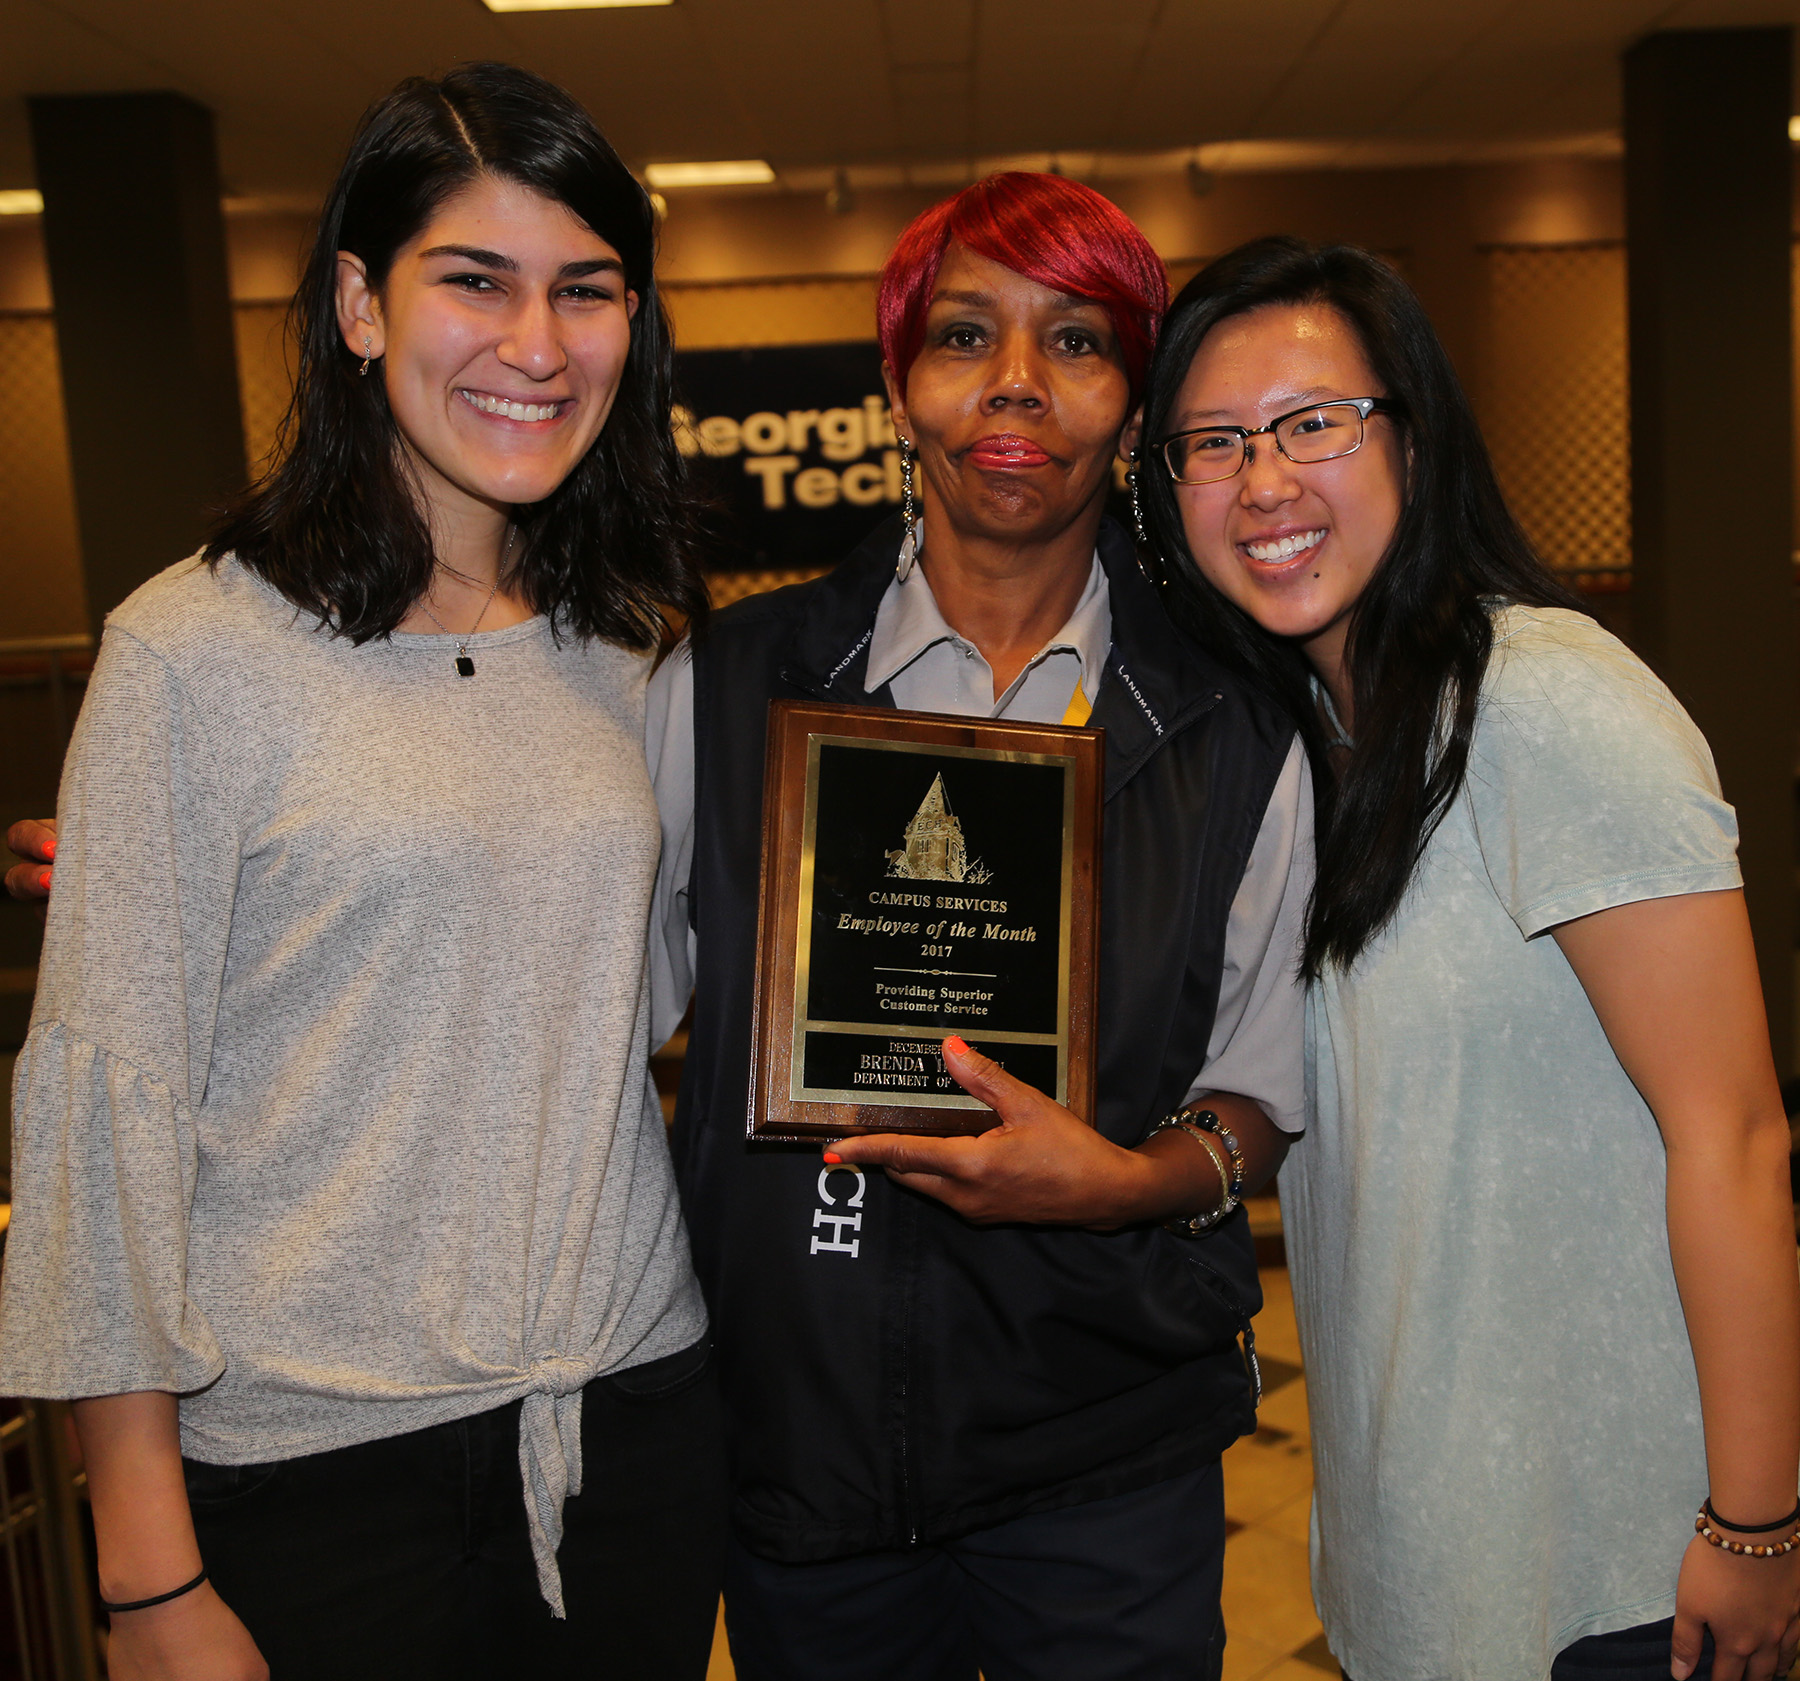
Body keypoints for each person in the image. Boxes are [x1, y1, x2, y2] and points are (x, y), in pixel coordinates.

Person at [0, 64, 725, 1681]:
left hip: (632, 1432)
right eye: (475, 280)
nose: (537, 346)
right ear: (358, 303)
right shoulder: (193, 653)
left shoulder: (630, 647)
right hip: (311, 1477)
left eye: (586, 291)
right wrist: (144, 1575)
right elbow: (103, 1129)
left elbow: (648, 998)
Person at [647, 172, 1311, 1680]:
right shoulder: (730, 689)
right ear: (900, 390)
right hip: (803, 1459)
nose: (1017, 381)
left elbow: (1262, 1094)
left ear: (1134, 414)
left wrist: (1132, 1179)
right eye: (965, 335)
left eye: (1077, 342)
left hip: (1108, 1461)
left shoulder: (1234, 731)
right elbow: (578, 982)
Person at [1136, 235, 1800, 1681]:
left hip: (1618, 1562)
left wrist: (1757, 1521)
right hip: (1426, 1547)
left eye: (1314, 423)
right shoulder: (1308, 749)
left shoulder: (1548, 698)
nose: (1263, 483)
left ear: (1415, 440)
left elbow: (1735, 1134)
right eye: (1214, 443)